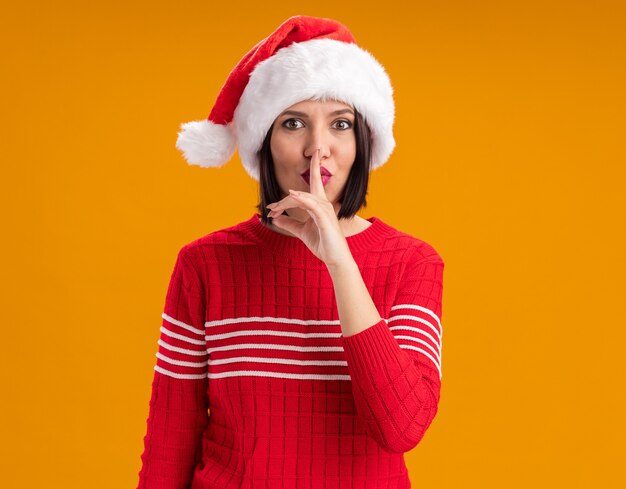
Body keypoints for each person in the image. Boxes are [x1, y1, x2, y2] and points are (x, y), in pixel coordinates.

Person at [137, 15, 445, 489]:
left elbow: (401, 427)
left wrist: (339, 259)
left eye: (341, 124)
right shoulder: (205, 263)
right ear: (264, 142)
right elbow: (170, 437)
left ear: (363, 144)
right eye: (294, 123)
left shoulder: (412, 263)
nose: (316, 149)